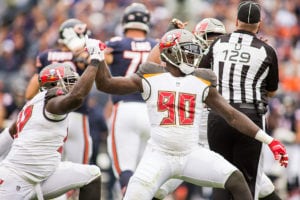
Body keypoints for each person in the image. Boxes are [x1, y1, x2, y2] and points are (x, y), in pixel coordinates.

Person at [93, 28, 288, 200]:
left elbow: (231, 114)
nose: (193, 57)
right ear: (170, 52)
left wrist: (268, 140)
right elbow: (106, 84)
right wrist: (98, 58)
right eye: (187, 52)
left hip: (191, 153)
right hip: (158, 155)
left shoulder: (201, 80)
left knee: (236, 179)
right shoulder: (150, 75)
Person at [0, 36, 104, 199]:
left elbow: (10, 133)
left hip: (42, 177)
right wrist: (95, 60)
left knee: (92, 174)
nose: (74, 86)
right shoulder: (50, 102)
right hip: (16, 180)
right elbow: (77, 97)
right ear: (54, 84)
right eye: (69, 82)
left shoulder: (33, 103)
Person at [199, 1, 282, 199]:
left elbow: (201, 75)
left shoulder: (219, 43)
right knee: (248, 182)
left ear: (236, 20)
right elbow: (271, 91)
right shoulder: (266, 51)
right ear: (259, 24)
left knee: (221, 179)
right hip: (249, 118)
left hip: (218, 115)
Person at [24, 18, 94, 198]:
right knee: (81, 172)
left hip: (50, 118)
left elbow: (29, 93)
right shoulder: (83, 54)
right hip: (77, 115)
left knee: (48, 170)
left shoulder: (46, 56)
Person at [103, 2, 157, 196]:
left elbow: (94, 58)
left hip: (124, 109)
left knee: (125, 169)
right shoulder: (156, 45)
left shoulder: (116, 43)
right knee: (146, 173)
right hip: (152, 113)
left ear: (125, 21)